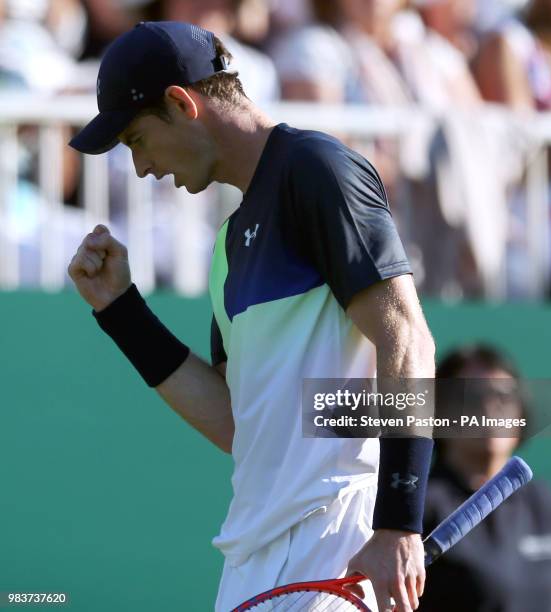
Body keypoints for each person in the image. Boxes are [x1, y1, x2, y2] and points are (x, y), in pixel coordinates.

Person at [67, 21, 435, 612]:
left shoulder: (318, 169)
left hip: (335, 537)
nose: (140, 168)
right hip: (251, 560)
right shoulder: (227, 245)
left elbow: (408, 342)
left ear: (181, 103)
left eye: (136, 140)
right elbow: (239, 425)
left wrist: (398, 523)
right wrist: (120, 311)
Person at [420, 345, 551, 612]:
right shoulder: (415, 509)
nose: (489, 407)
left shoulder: (545, 502)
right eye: (472, 397)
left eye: (503, 396)